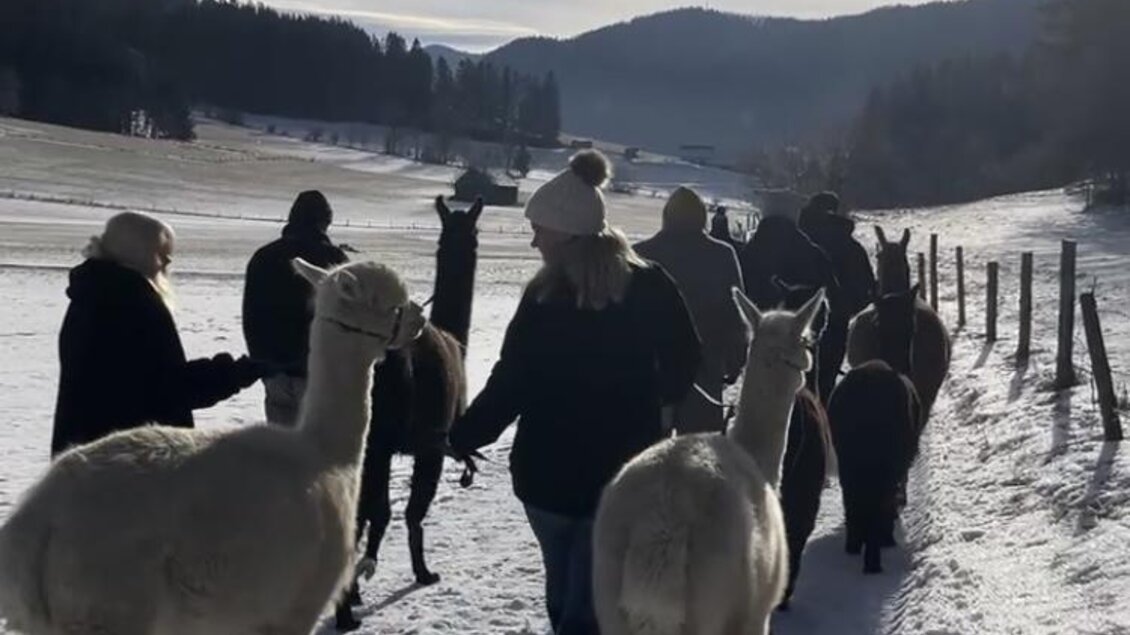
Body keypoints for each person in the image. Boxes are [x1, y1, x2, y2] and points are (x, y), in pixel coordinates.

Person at [447, 151, 701, 635]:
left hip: (547, 478)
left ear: (565, 232)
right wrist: (661, 405)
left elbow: (511, 381)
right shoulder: (650, 287)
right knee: (585, 601)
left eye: (540, 229)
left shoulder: (543, 297)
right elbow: (687, 356)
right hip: (622, 475)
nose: (534, 240)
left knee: (568, 598)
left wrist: (465, 435)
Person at [51, 212, 267, 457]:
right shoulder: (131, 301)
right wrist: (230, 375)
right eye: (161, 253)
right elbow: (164, 388)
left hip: (89, 454)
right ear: (138, 253)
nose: (168, 262)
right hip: (128, 459)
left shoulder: (92, 295)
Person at [635, 186, 747, 434]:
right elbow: (735, 313)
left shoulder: (641, 254)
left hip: (651, 370)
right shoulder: (721, 255)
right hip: (704, 366)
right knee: (697, 455)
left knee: (647, 454)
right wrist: (736, 359)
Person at [242, 190, 348, 426]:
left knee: (282, 455)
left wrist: (262, 365)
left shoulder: (263, 257)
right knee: (320, 455)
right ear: (325, 222)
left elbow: (251, 319)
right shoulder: (333, 260)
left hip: (274, 373)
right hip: (321, 375)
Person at [738, 205, 841, 400]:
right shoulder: (813, 253)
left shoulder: (753, 252)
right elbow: (834, 296)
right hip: (803, 338)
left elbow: (741, 291)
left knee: (761, 394)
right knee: (807, 392)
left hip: (763, 340)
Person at [798, 191, 877, 402]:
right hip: (835, 324)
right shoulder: (850, 247)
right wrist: (845, 309)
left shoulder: (795, 241)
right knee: (825, 386)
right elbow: (867, 289)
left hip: (794, 324)